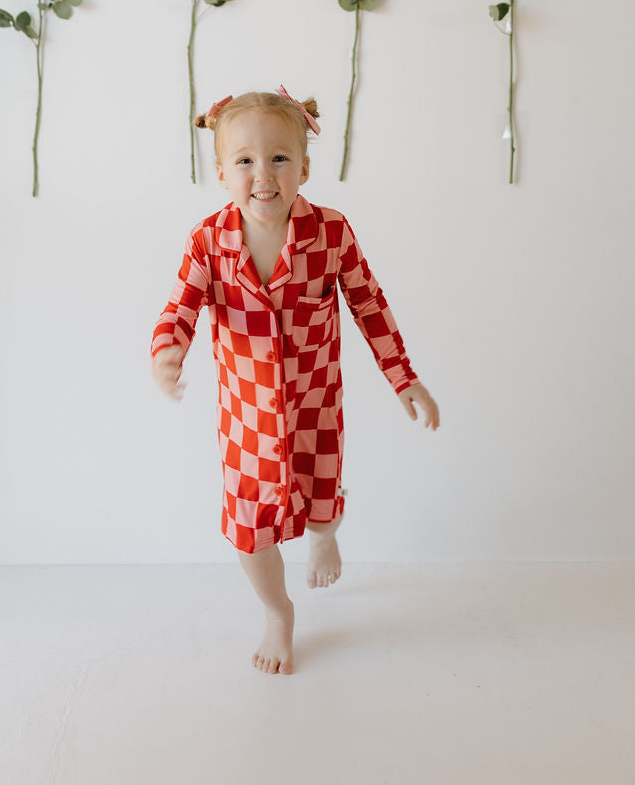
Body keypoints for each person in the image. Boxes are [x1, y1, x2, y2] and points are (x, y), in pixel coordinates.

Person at [150, 87, 440, 676]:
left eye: (280, 158)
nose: (264, 175)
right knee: (249, 530)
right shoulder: (208, 241)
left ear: (304, 166)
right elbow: (179, 306)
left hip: (315, 404)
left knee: (323, 493)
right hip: (248, 419)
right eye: (246, 161)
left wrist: (404, 379)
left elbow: (369, 306)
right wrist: (168, 351)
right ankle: (278, 612)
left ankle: (325, 535)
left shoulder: (331, 233)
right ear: (222, 171)